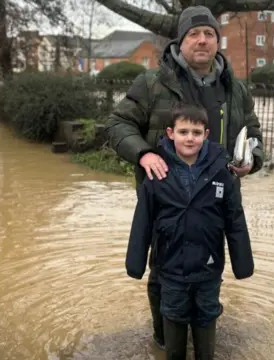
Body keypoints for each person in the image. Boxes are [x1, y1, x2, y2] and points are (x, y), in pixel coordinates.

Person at [104, 5, 264, 350]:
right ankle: (164, 339)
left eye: (209, 34)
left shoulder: (235, 89)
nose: (202, 40)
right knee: (162, 273)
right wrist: (143, 153)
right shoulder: (152, 83)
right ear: (180, 40)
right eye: (194, 34)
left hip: (214, 201)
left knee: (209, 267)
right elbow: (118, 124)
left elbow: (252, 132)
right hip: (166, 200)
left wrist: (254, 159)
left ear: (217, 42)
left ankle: (204, 330)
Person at [125, 104, 254, 360]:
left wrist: (243, 264)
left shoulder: (222, 171)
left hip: (209, 266)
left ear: (206, 135)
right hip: (170, 267)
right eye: (183, 131)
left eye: (196, 132)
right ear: (171, 133)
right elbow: (143, 220)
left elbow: (234, 218)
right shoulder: (156, 171)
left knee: (207, 313)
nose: (190, 138)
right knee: (172, 313)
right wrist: (136, 263)